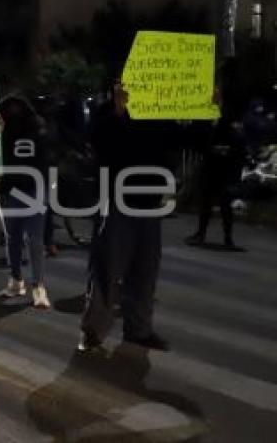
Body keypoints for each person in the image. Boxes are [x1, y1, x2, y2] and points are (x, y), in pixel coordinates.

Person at [80, 82, 179, 353]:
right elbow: (96, 140)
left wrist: (212, 109)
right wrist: (118, 112)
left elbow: (189, 140)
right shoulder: (109, 110)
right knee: (107, 269)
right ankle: (93, 333)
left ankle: (139, 329)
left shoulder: (160, 113)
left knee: (146, 270)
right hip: (117, 203)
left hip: (150, 204)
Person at [0, 95, 51, 309]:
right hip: (20, 190)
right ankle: (19, 281)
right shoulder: (8, 134)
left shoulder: (34, 134)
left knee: (31, 240)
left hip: (29, 189)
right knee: (17, 239)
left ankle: (35, 284)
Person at [185, 116, 245, 249]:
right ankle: (223, 236)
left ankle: (206, 234)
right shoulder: (228, 134)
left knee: (213, 205)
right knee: (219, 206)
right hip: (217, 172)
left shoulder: (218, 133)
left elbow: (204, 148)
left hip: (217, 172)